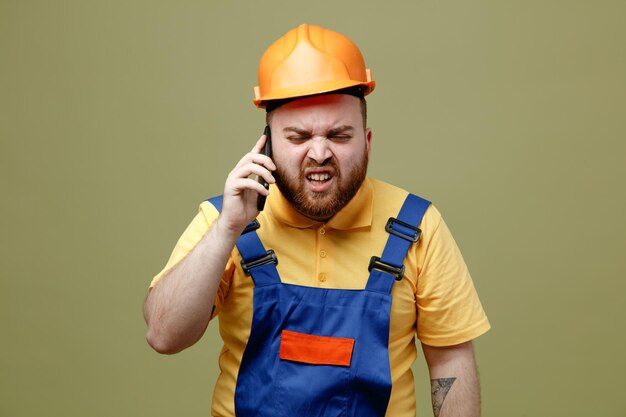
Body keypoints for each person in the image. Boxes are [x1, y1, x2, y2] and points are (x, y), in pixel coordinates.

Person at [144, 24, 490, 417]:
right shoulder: (224, 220)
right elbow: (163, 335)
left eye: (340, 135)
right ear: (268, 145)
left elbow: (451, 363)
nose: (320, 152)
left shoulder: (418, 226)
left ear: (368, 142)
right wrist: (227, 230)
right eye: (299, 137)